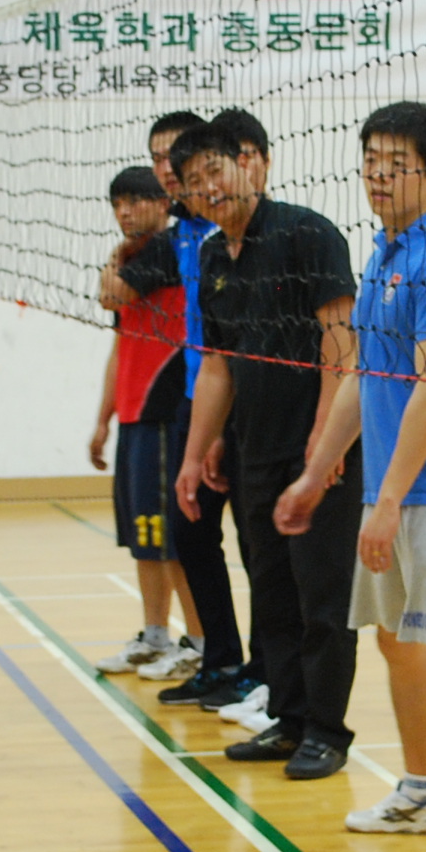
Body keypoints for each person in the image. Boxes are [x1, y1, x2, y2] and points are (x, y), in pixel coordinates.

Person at [279, 102, 426, 852]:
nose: (378, 173)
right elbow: (363, 379)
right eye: (370, 159)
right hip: (394, 489)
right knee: (396, 640)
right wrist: (316, 475)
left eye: (396, 162)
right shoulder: (383, 256)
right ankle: (422, 792)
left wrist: (387, 502)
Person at [172, 114, 361, 779]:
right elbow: (218, 365)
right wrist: (198, 450)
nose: (208, 188)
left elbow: (341, 341)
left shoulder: (308, 233)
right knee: (272, 592)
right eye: (193, 182)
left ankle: (327, 731)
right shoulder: (211, 258)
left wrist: (325, 440)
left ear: (247, 165)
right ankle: (289, 718)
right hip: (254, 450)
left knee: (322, 598)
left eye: (215, 171)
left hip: (316, 451)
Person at [100, 111, 252, 711]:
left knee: (249, 548)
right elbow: (112, 300)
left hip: (219, 403)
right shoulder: (176, 240)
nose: (166, 169)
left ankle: (236, 661)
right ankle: (212, 655)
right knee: (186, 535)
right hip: (193, 402)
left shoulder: (226, 232)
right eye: (158, 158)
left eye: (174, 159)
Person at [86, 163, 200, 680]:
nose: (124, 212)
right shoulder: (138, 258)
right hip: (134, 417)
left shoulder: (167, 249)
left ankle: (198, 641)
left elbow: (111, 294)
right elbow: (120, 343)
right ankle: (156, 636)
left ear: (162, 203)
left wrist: (115, 256)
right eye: (117, 204)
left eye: (134, 201)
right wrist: (103, 419)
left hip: (163, 414)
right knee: (145, 537)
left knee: (171, 539)